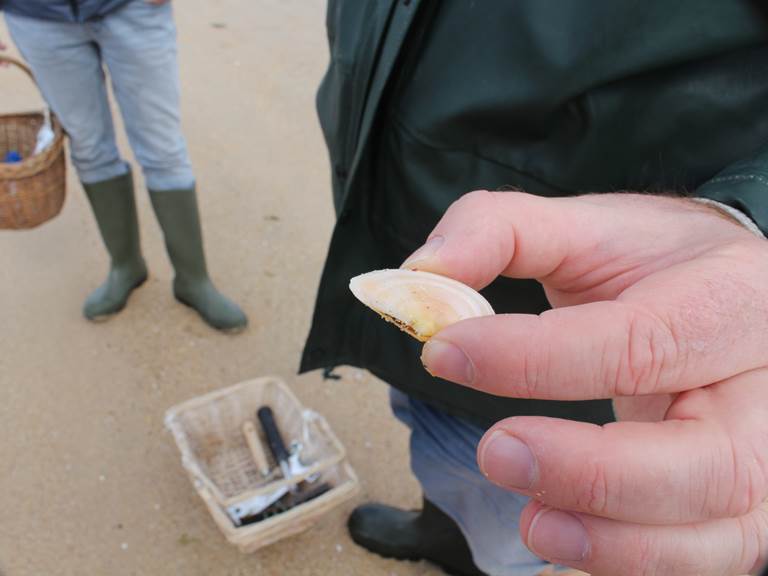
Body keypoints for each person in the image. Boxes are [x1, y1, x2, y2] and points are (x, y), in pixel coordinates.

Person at [301, 1, 768, 575]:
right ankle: (442, 528)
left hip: (604, 309)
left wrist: (751, 215)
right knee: (434, 435)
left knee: (518, 502)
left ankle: (489, 562)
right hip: (406, 237)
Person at [0, 0, 247, 331]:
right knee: (88, 148)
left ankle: (193, 280)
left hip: (131, 8)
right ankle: (125, 267)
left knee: (163, 149)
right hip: (37, 17)